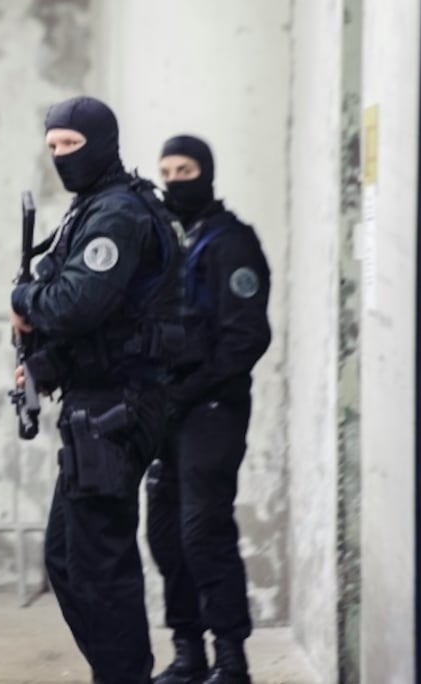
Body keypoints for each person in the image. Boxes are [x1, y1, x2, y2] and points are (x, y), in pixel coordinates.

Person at [10, 96, 185, 684]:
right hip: (98, 403)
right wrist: (46, 368)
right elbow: (112, 319)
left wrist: (23, 300)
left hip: (117, 407)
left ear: (102, 143)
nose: (60, 157)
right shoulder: (93, 209)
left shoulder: (115, 216)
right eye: (53, 146)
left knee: (99, 564)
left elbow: (77, 303)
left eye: (71, 146)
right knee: (67, 556)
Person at [146, 134, 272, 684]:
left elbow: (247, 337)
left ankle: (230, 657)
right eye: (167, 169)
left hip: (213, 407)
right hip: (164, 407)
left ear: (207, 172)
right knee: (165, 533)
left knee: (202, 530)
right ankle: (188, 651)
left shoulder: (232, 242)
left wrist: (192, 387)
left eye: (186, 168)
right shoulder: (164, 240)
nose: (175, 179)